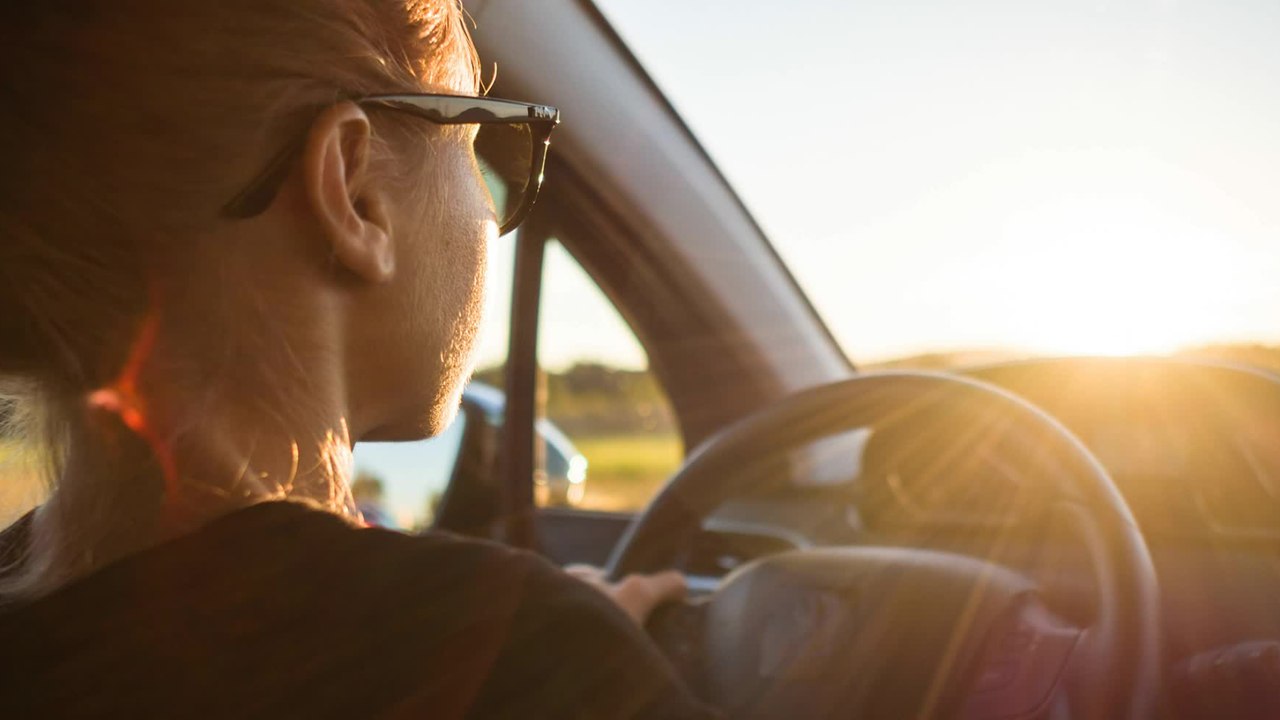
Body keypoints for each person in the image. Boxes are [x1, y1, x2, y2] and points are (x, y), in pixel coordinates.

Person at [0, 1, 711, 717]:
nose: (492, 216)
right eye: (477, 149)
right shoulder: (527, 659)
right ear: (353, 187)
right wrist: (572, 664)